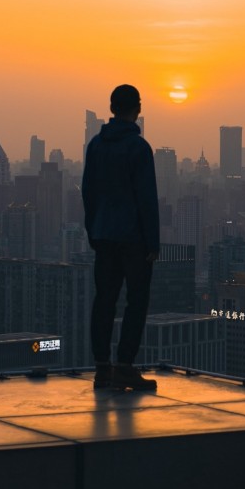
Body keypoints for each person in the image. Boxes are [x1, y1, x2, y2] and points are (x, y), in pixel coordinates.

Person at [82, 84, 160, 390]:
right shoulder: (139, 149)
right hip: (133, 238)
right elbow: (146, 198)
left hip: (103, 235)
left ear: (112, 108)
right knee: (136, 301)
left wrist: (93, 229)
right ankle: (125, 365)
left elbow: (88, 192)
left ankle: (103, 368)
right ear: (137, 109)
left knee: (104, 300)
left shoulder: (96, 146)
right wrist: (152, 242)